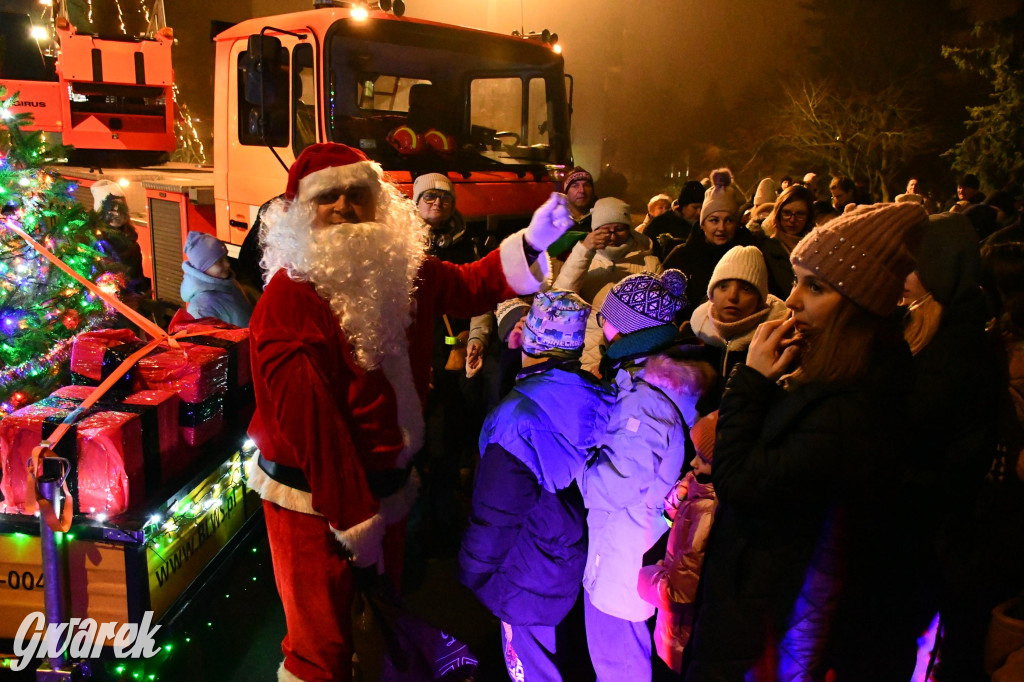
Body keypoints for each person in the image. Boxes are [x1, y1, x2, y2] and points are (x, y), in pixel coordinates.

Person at [245, 142, 572, 682]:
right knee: (320, 646)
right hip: (315, 501)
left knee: (377, 624)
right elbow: (308, 424)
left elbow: (469, 286)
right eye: (328, 197)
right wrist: (354, 518)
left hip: (387, 489)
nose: (346, 206)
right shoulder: (289, 296)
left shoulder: (404, 270)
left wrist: (533, 241)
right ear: (301, 212)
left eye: (358, 193)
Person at [685, 202, 928, 681]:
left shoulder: (848, 407)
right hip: (766, 608)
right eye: (796, 281)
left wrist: (751, 383)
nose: (792, 300)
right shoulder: (837, 373)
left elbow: (741, 484)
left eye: (815, 287)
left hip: (771, 626)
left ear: (859, 305)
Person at [459, 289, 613, 682]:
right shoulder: (592, 395)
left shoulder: (515, 419)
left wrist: (473, 570)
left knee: (529, 668)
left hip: (524, 569)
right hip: (569, 557)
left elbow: (497, 512)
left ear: (532, 339)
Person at [580, 269, 711, 682]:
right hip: (628, 541)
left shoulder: (646, 401)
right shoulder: (647, 380)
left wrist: (573, 460)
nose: (601, 324)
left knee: (618, 663)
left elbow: (612, 486)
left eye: (605, 316)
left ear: (625, 328)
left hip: (623, 553)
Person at [898, 212, 1000, 681]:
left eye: (911, 266)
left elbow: (945, 456)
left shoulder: (956, 352)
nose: (901, 277)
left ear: (939, 268)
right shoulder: (938, 328)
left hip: (927, 533)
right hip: (922, 525)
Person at [637, 410, 719, 674]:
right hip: (671, 634)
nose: (693, 463)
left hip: (680, 640)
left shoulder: (706, 512)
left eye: (702, 459)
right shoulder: (698, 492)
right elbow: (669, 517)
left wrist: (646, 578)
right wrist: (685, 489)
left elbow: (680, 592)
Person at [553, 196, 661, 373]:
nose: (612, 236)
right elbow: (560, 298)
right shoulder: (583, 259)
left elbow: (661, 312)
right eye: (605, 230)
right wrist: (584, 251)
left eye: (619, 229)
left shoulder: (649, 262)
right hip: (589, 354)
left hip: (635, 356)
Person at [683, 245, 788, 413]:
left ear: (760, 299)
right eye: (723, 286)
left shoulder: (774, 343)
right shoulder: (694, 334)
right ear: (711, 293)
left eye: (746, 289)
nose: (732, 296)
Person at [663, 168, 758, 307]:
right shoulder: (682, 256)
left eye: (729, 220)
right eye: (714, 220)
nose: (721, 228)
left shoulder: (751, 257)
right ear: (703, 224)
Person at [180, 231, 253, 327]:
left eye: (226, 257)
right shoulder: (200, 309)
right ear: (203, 268)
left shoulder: (230, 285)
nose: (227, 264)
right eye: (219, 262)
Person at [91, 179, 150, 297]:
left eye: (121, 208)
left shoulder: (132, 242)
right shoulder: (95, 244)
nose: (117, 214)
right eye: (111, 209)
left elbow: (138, 279)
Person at [755, 185, 816, 297]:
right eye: (787, 213)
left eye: (800, 214)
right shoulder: (763, 246)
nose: (792, 220)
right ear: (778, 213)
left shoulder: (816, 247)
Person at [646, 180, 705, 260]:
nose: (699, 212)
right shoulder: (660, 224)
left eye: (702, 207)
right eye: (695, 207)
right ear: (683, 206)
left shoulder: (704, 226)